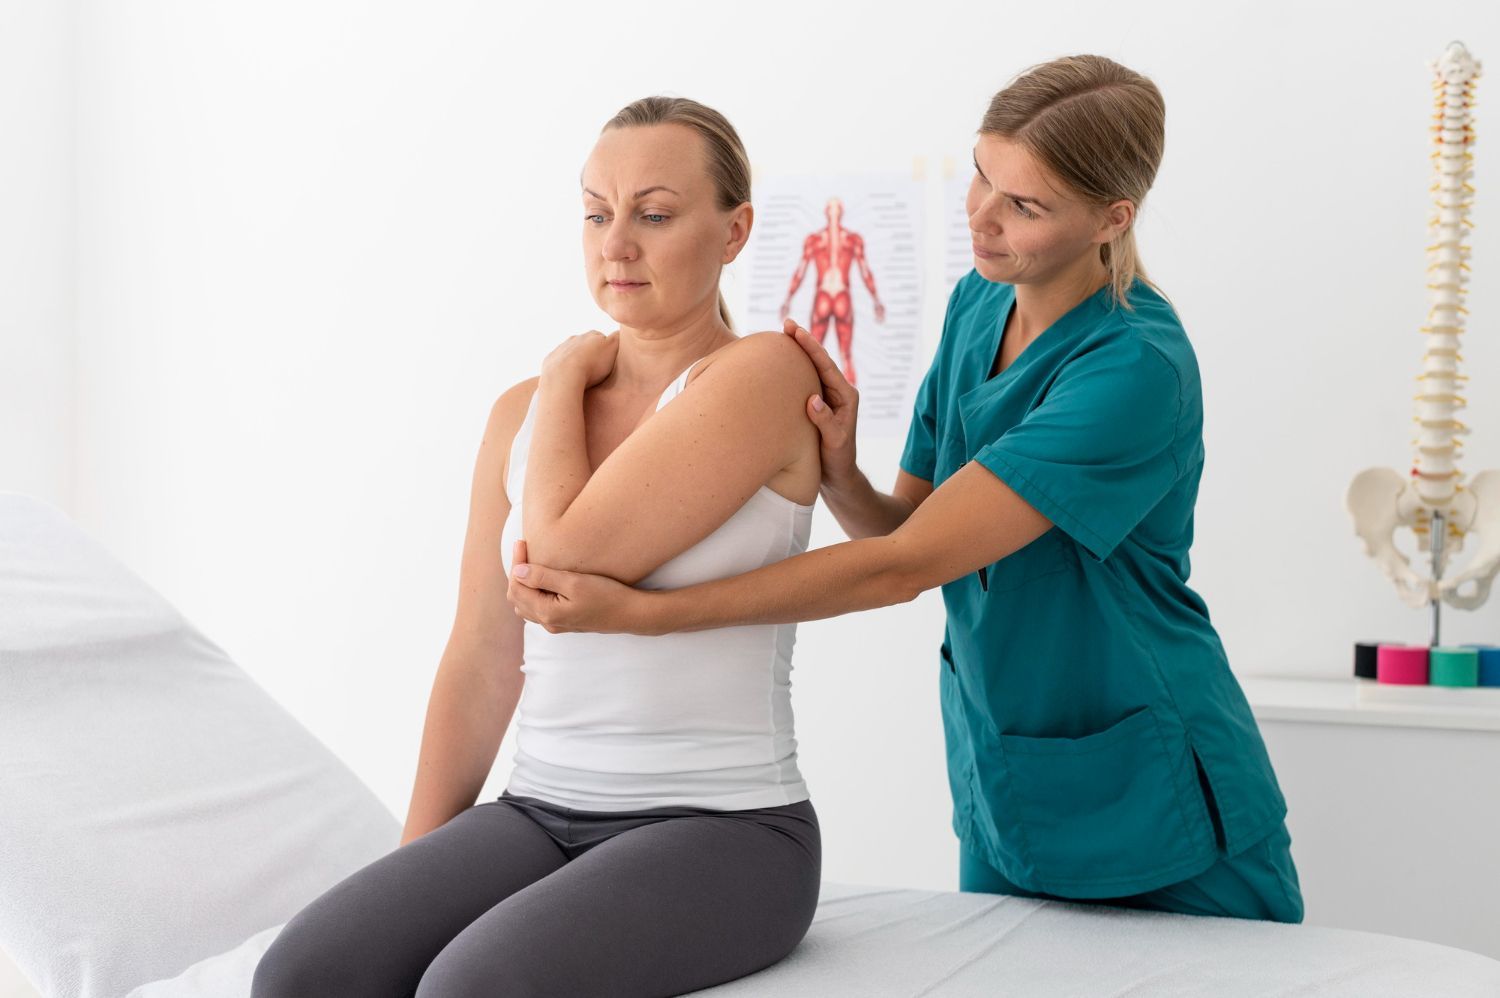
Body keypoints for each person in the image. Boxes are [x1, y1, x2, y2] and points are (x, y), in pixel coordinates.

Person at [508, 54, 1306, 923]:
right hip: (1012, 771)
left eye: (1024, 206)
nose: (981, 218)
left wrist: (644, 614)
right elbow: (901, 523)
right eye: (981, 176)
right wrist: (841, 469)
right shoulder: (978, 304)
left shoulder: (1131, 369)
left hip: (1157, 780)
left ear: (1111, 219)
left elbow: (902, 568)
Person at [252, 95, 827, 998]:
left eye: (655, 214)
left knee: (469, 991)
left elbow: (566, 553)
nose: (615, 243)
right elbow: (484, 658)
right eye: (596, 213)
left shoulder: (761, 375)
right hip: (537, 812)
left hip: (727, 826)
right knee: (306, 975)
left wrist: (564, 377)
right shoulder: (518, 416)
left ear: (734, 230)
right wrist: (415, 879)